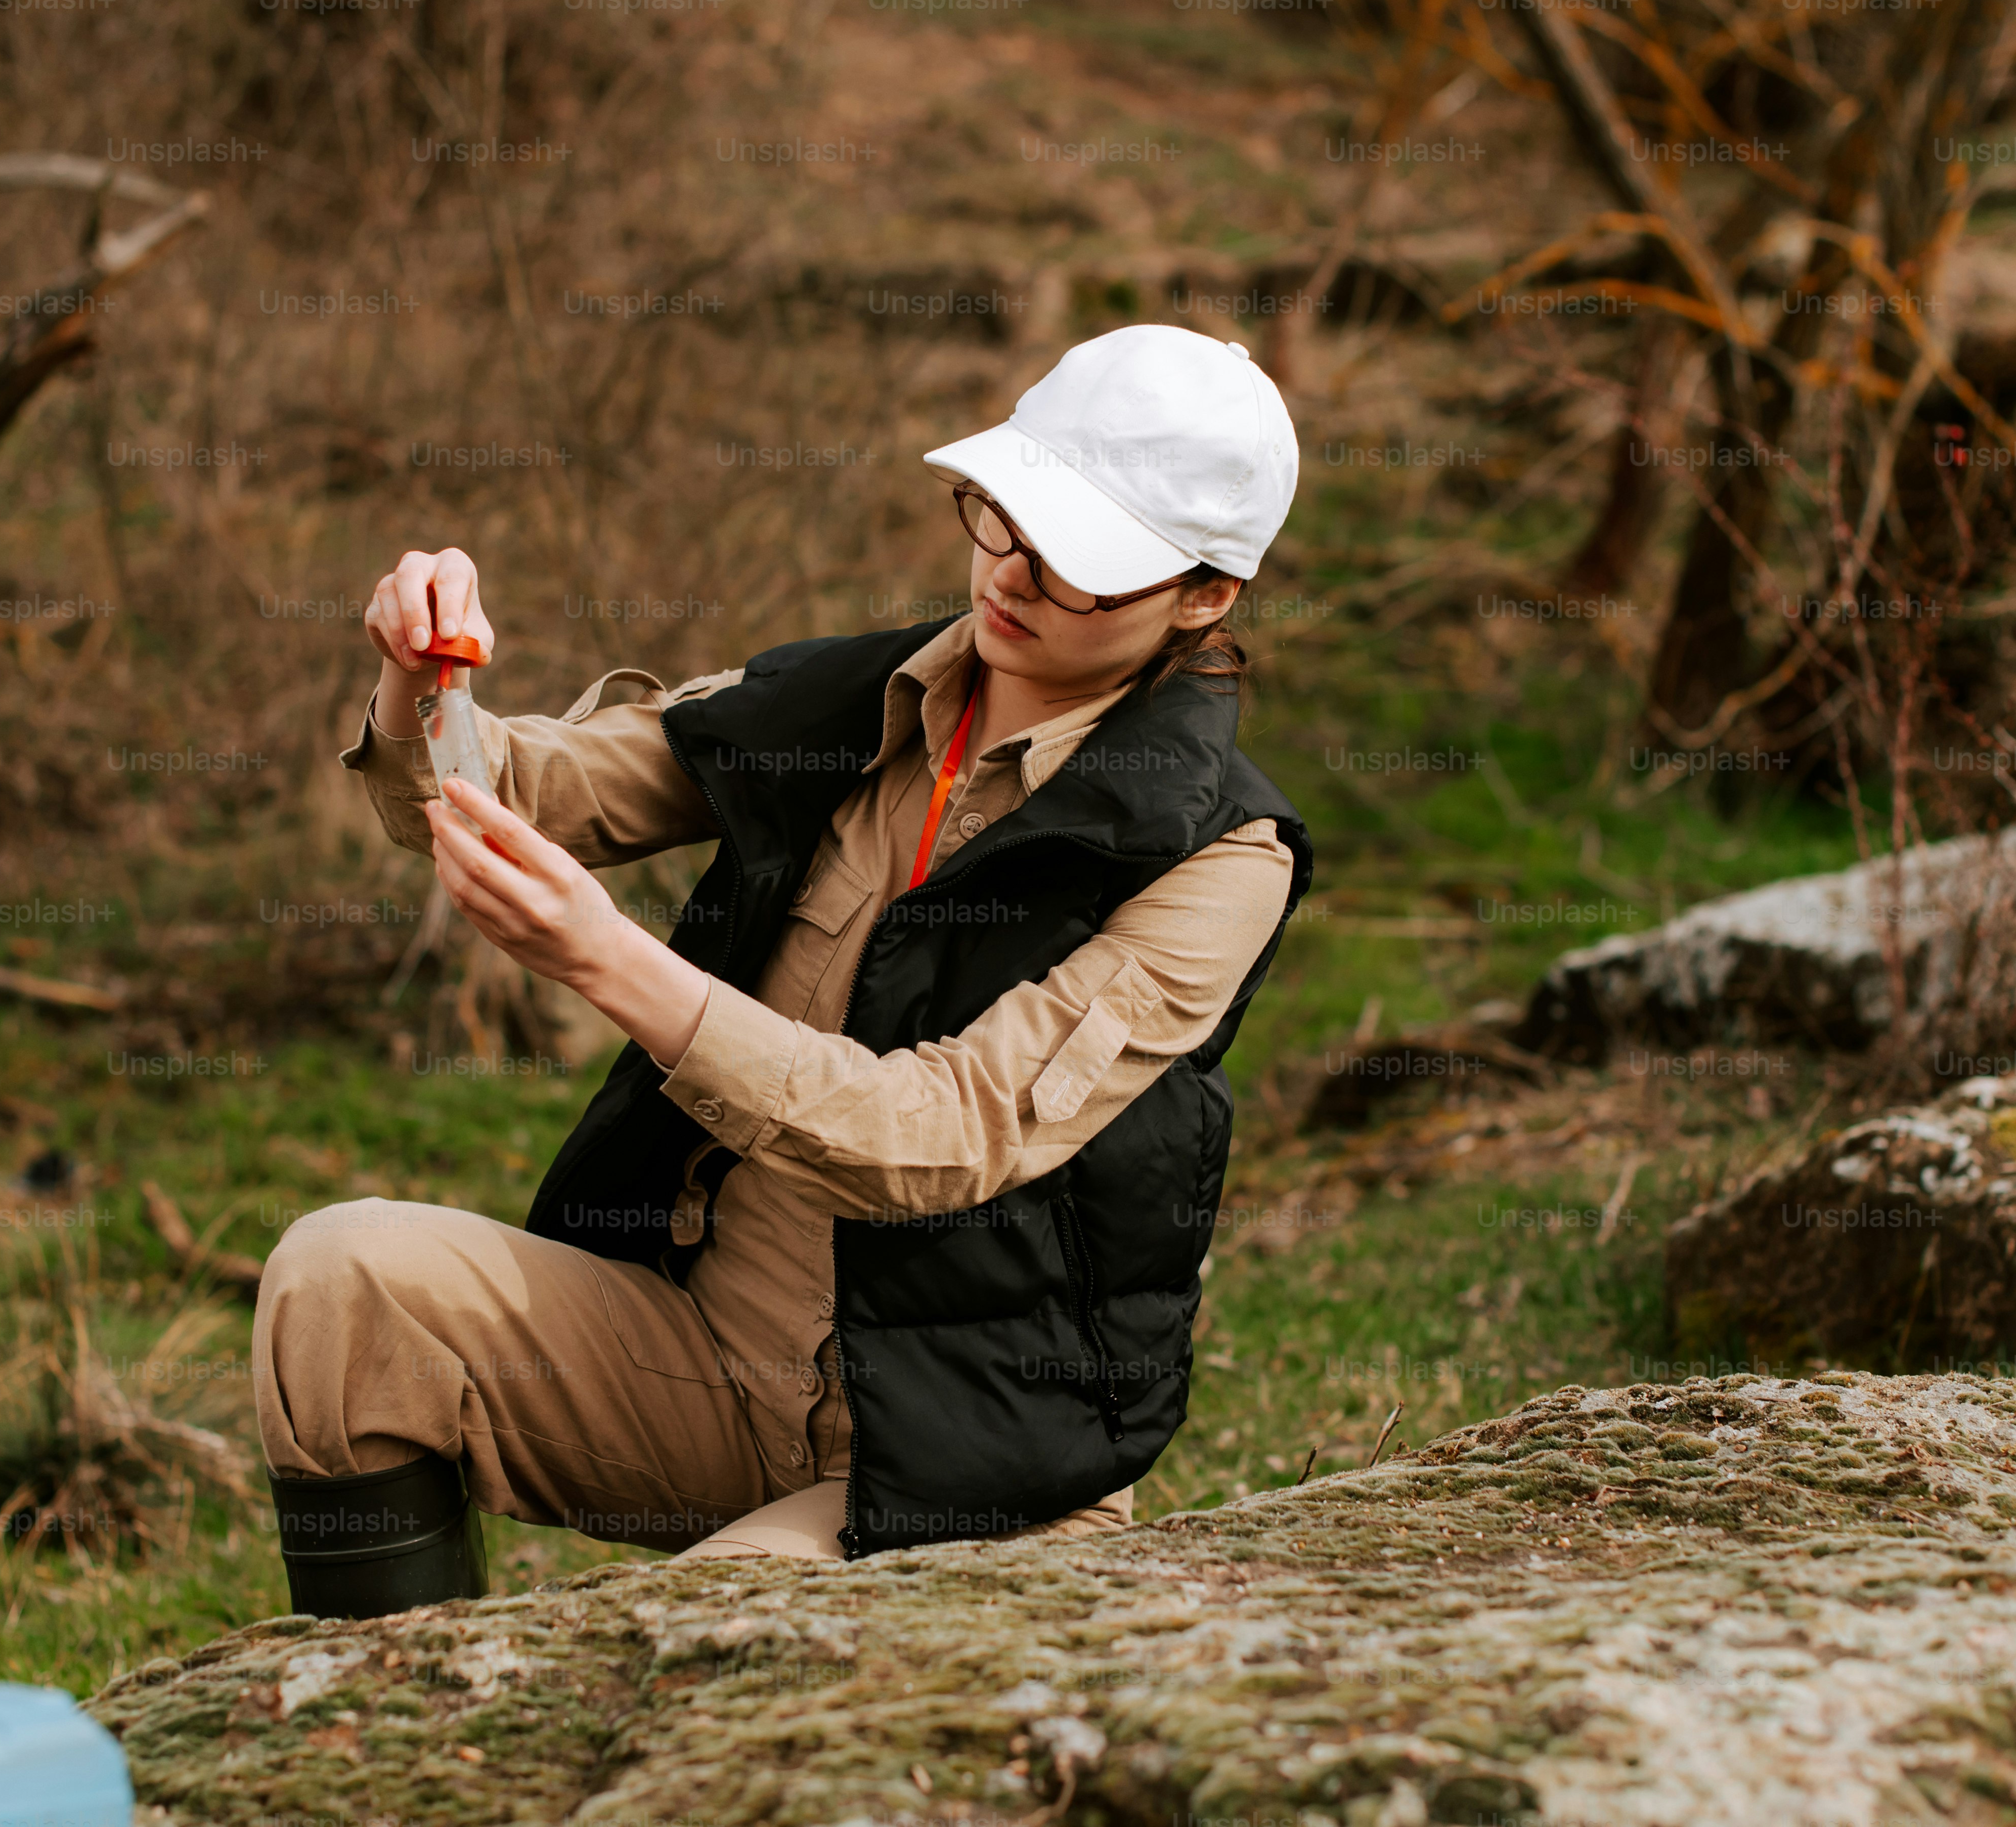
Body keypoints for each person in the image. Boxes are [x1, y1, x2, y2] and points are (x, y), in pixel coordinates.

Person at [254, 324, 1314, 1616]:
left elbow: (942, 1136)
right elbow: (516, 793)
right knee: (339, 1282)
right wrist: (424, 680)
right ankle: (380, 1746)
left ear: (1204, 596)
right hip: (708, 1367)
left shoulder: (1218, 857)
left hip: (948, 1465)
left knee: (675, 1657)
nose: (1017, 577)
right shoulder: (850, 701)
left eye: (1081, 565)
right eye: (1004, 516)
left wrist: (608, 962)